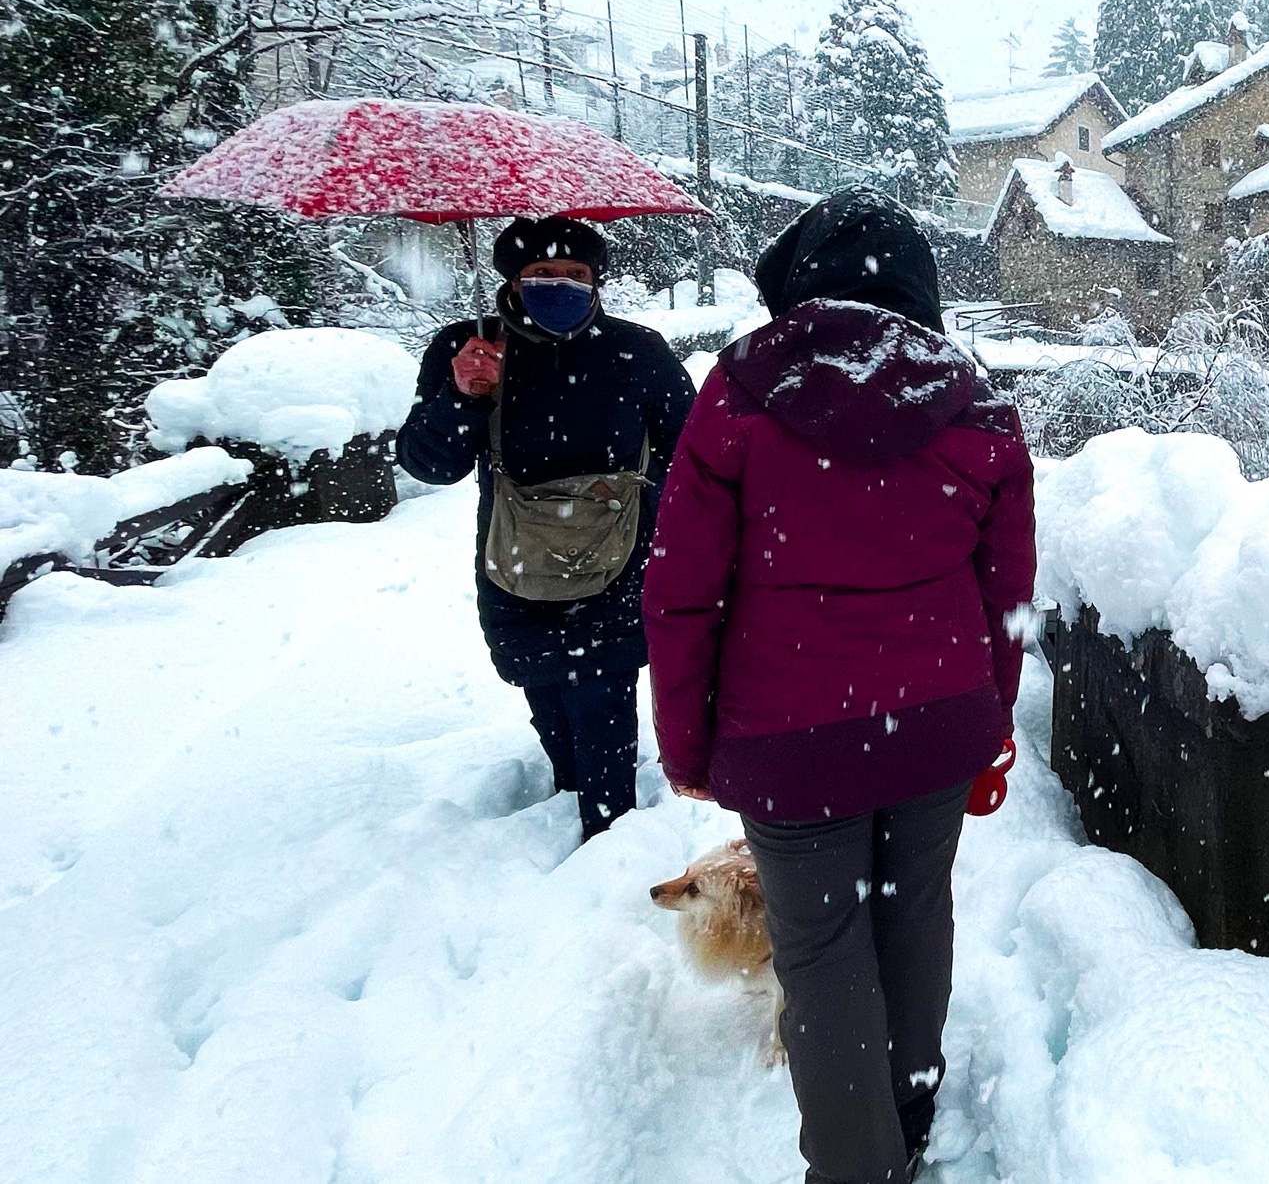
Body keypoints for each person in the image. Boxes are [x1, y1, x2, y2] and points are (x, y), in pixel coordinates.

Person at [644, 188, 1035, 1184]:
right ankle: (907, 1122)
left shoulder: (736, 396)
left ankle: (856, 1169)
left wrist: (689, 744)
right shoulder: (976, 403)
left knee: (819, 953)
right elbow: (1005, 592)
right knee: (914, 921)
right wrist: (988, 724)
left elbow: (682, 589)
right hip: (936, 727)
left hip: (788, 739)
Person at [400, 215, 695, 842]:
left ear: (597, 282)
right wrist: (465, 396)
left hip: (620, 560)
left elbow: (689, 450)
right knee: (543, 685)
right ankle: (570, 790)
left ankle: (609, 839)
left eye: (574, 275)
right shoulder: (469, 347)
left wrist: (652, 515)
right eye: (540, 274)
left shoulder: (637, 351)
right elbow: (430, 464)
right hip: (516, 560)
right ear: (513, 278)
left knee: (602, 691)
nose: (558, 285)